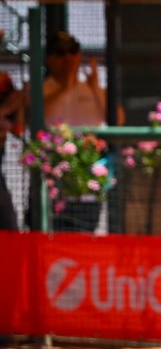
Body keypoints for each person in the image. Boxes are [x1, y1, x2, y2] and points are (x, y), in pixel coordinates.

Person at [38, 30, 123, 233]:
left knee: (84, 235)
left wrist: (95, 88)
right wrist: (65, 87)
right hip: (52, 184)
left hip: (87, 182)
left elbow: (117, 120)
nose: (67, 58)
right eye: (60, 53)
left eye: (72, 51)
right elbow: (37, 117)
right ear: (49, 59)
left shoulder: (91, 89)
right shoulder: (42, 89)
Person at [0, 70, 21, 230]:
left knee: (9, 228)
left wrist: (21, 102)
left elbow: (18, 129)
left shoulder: (4, 79)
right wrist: (7, 108)